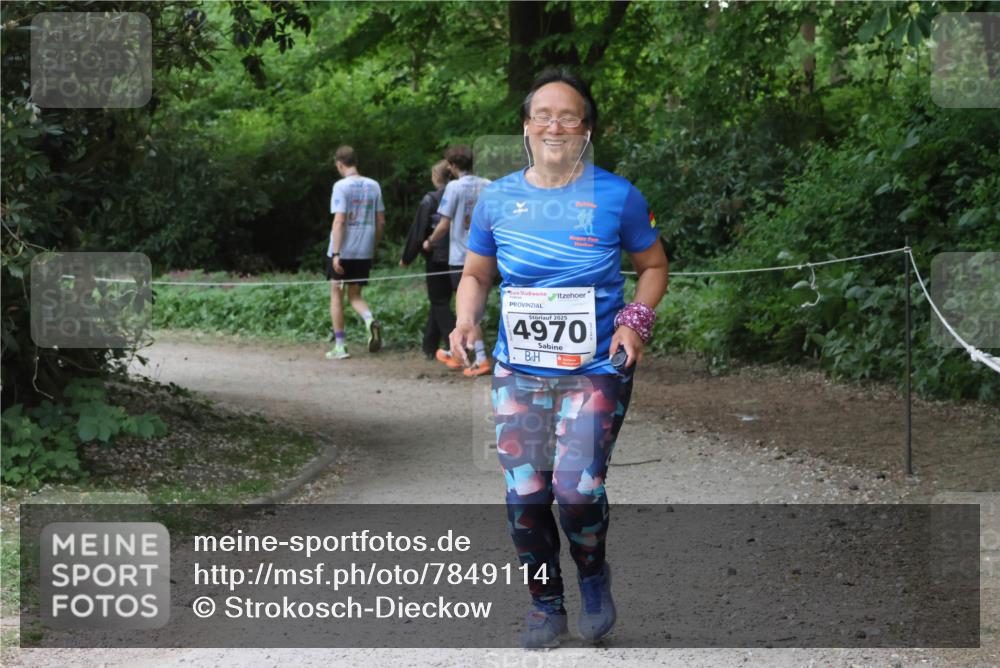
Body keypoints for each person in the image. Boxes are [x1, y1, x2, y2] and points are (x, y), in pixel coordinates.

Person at [449, 69, 669, 648]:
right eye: (542, 115)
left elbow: (653, 266)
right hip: (519, 371)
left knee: (575, 489)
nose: (554, 126)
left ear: (586, 130)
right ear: (526, 127)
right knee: (526, 493)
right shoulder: (497, 199)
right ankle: (545, 605)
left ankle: (593, 576)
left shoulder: (617, 196)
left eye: (568, 116)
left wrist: (635, 322)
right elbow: (476, 274)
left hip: (595, 368)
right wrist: (466, 319)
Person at [423, 145, 492, 377]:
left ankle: (480, 358)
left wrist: (430, 242)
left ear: (452, 166)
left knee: (468, 308)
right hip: (486, 255)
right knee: (473, 307)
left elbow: (444, 224)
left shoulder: (453, 187)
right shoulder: (488, 184)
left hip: (461, 256)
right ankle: (461, 350)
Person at [325, 145, 386, 360]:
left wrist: (336, 253)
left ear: (339, 164)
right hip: (364, 248)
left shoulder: (341, 186)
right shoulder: (374, 185)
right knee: (355, 295)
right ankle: (369, 319)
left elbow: (339, 220)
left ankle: (340, 346)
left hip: (344, 249)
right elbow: (381, 221)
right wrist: (373, 246)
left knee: (336, 295)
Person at [399, 160, 455, 359]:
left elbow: (418, 231)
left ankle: (455, 345)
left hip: (437, 257)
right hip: (459, 256)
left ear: (435, 177)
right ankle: (429, 346)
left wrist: (407, 258)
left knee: (439, 301)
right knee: (439, 301)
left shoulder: (430, 199)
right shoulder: (461, 194)